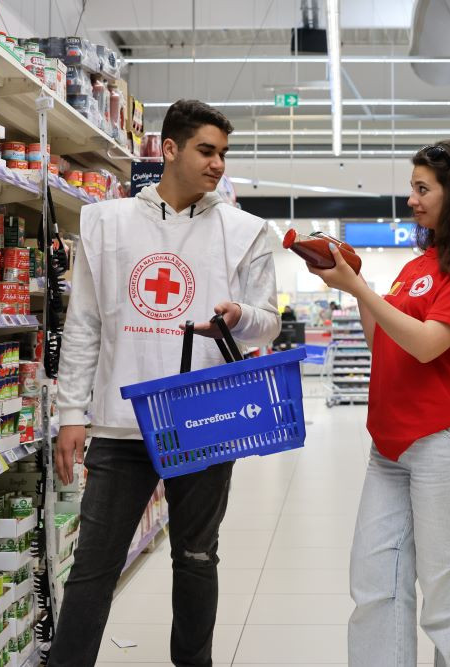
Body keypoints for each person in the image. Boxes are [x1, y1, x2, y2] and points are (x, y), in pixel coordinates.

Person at [48, 99, 280, 667]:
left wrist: (241, 317)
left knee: (197, 558)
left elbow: (268, 320)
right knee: (94, 564)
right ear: (169, 149)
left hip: (205, 417)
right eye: (206, 151)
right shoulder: (107, 223)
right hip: (121, 421)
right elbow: (84, 324)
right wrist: (71, 413)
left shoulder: (244, 231)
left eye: (223, 154)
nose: (218, 164)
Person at [309, 141, 450, 666]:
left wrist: (362, 290)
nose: (412, 199)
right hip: (390, 445)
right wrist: (356, 284)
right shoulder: (418, 265)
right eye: (412, 188)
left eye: (423, 189)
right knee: (375, 581)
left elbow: (428, 345)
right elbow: (381, 338)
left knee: (449, 590)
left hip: (444, 442)